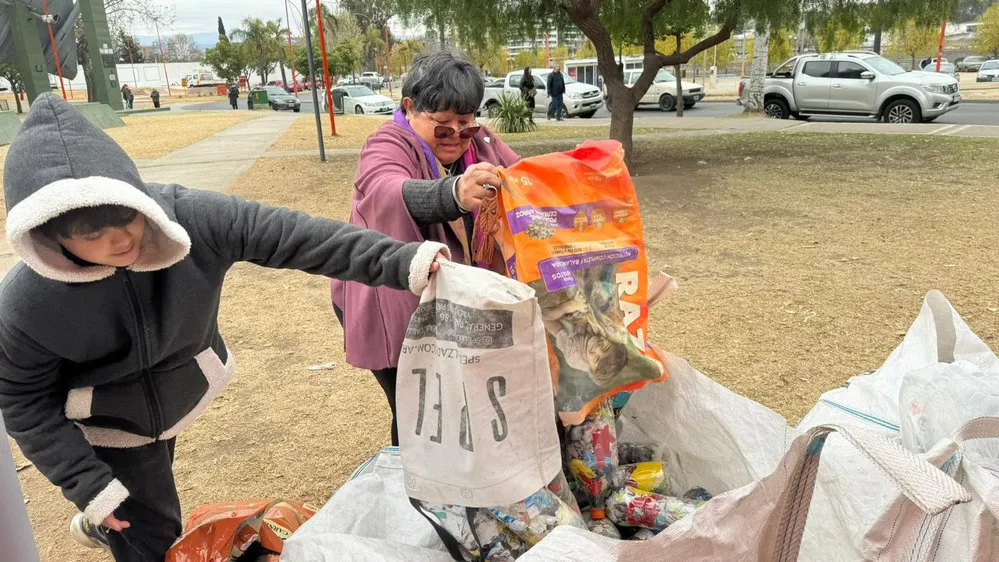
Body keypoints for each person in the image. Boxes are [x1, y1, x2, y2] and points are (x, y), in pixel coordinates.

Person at [0, 93, 447, 561]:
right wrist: (90, 486)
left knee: (148, 495)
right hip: (109, 421)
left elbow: (298, 237)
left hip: (179, 387)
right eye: (93, 235)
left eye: (127, 217)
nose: (122, 239)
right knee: (149, 533)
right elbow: (20, 399)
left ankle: (116, 514)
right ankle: (112, 520)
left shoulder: (189, 217)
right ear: (49, 235)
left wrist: (406, 261)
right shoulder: (27, 304)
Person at [331, 51, 520, 446]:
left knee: (456, 399)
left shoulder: (482, 144)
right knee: (418, 407)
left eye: (465, 125)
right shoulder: (386, 143)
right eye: (443, 126)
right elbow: (386, 189)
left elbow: (527, 180)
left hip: (452, 300)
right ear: (409, 107)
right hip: (390, 299)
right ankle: (413, 493)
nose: (455, 137)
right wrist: (454, 192)